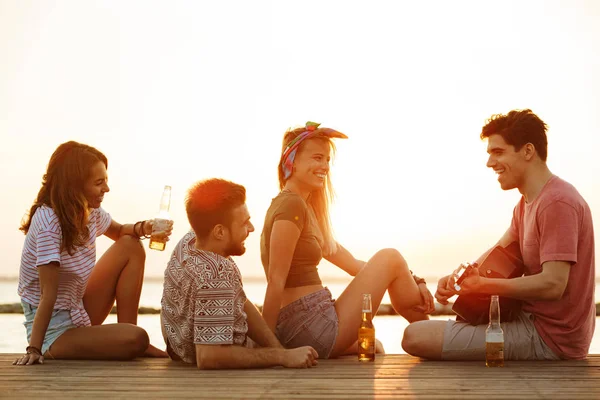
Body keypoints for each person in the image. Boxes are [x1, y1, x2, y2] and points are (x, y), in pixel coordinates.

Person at [402, 109, 595, 361]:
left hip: (549, 338)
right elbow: (498, 251)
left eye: (498, 152)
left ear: (528, 151)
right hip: (527, 322)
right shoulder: (526, 204)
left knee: (414, 337)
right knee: (417, 334)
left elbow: (553, 284)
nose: (490, 163)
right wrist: (457, 279)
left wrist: (484, 285)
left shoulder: (557, 202)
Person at [260, 121, 435, 360]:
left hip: (310, 322)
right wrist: (271, 351)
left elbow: (355, 266)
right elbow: (275, 280)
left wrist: (415, 280)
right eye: (317, 158)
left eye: (327, 160)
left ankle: (432, 337)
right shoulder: (291, 206)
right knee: (390, 256)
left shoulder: (302, 209)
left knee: (376, 346)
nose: (324, 166)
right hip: (308, 323)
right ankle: (436, 341)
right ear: (292, 161)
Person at [13, 141, 173, 366]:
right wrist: (34, 348)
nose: (106, 189)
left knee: (131, 245)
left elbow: (119, 231)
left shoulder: (88, 211)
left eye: (105, 181)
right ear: (74, 186)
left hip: (77, 309)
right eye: (99, 183)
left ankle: (129, 332)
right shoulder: (49, 222)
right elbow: (47, 295)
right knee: (137, 338)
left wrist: (145, 227)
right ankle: (132, 339)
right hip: (53, 331)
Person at [161, 178, 318, 369]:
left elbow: (240, 300)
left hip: (176, 344)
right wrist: (281, 357)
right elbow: (209, 357)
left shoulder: (190, 240)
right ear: (219, 232)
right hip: (221, 354)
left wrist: (278, 348)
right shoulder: (216, 274)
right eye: (245, 223)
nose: (251, 228)